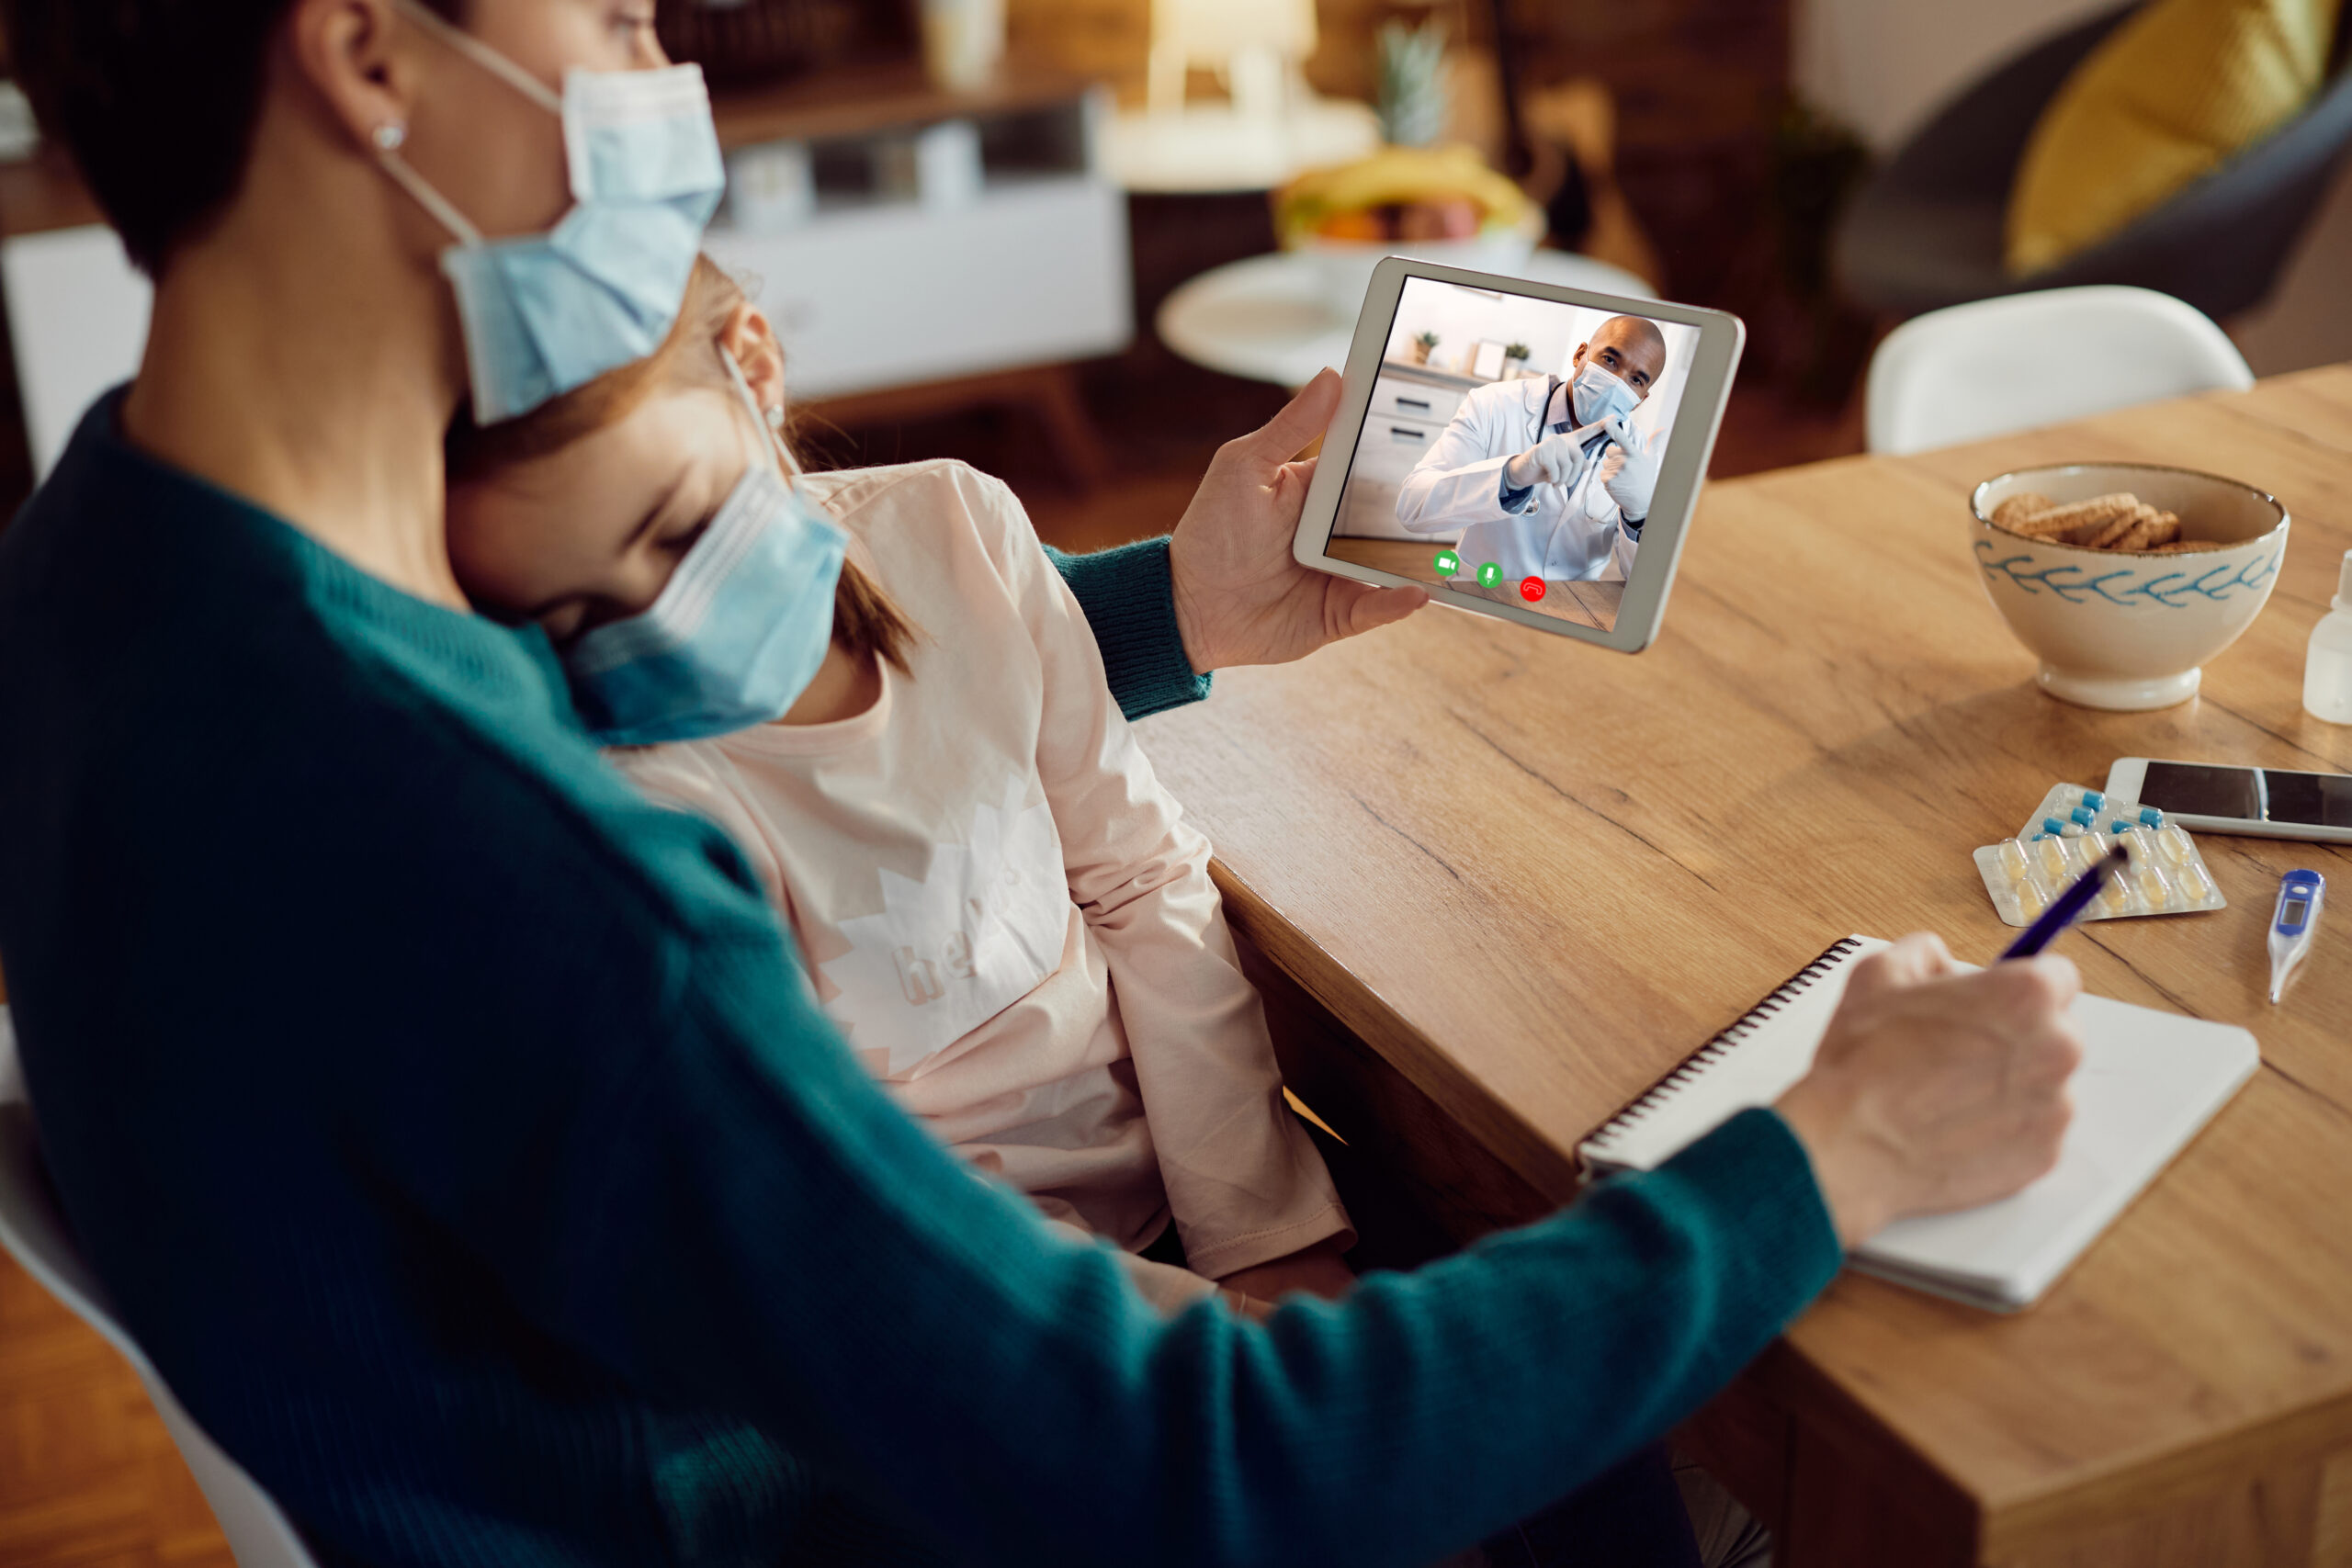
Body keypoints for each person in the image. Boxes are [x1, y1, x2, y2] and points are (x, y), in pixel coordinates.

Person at [0, 3, 2084, 1565]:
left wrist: (1144, 610)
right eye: (614, 17)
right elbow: (1205, 1459)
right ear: (369, 55)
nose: (655, 71)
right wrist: (1821, 1144)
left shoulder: (119, 570)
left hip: (658, 1441)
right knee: (1645, 1439)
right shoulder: (494, 854)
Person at [441, 254, 1355, 1314]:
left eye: (678, 528)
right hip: (951, 1301)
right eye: (574, 618)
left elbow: (1140, 877)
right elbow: (816, 1179)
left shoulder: (956, 525)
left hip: (1182, 1200)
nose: (665, 622)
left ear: (753, 364)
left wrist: (1260, 1234)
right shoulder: (624, 792)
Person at [1396, 314, 1668, 587]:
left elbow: (1642, 581)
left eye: (1635, 379)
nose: (1617, 381)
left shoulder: (1640, 457)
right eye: (1609, 360)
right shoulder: (1492, 404)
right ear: (1580, 355)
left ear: (1640, 401)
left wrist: (1638, 516)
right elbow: (1412, 508)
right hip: (1484, 588)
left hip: (1572, 605)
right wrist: (1511, 475)